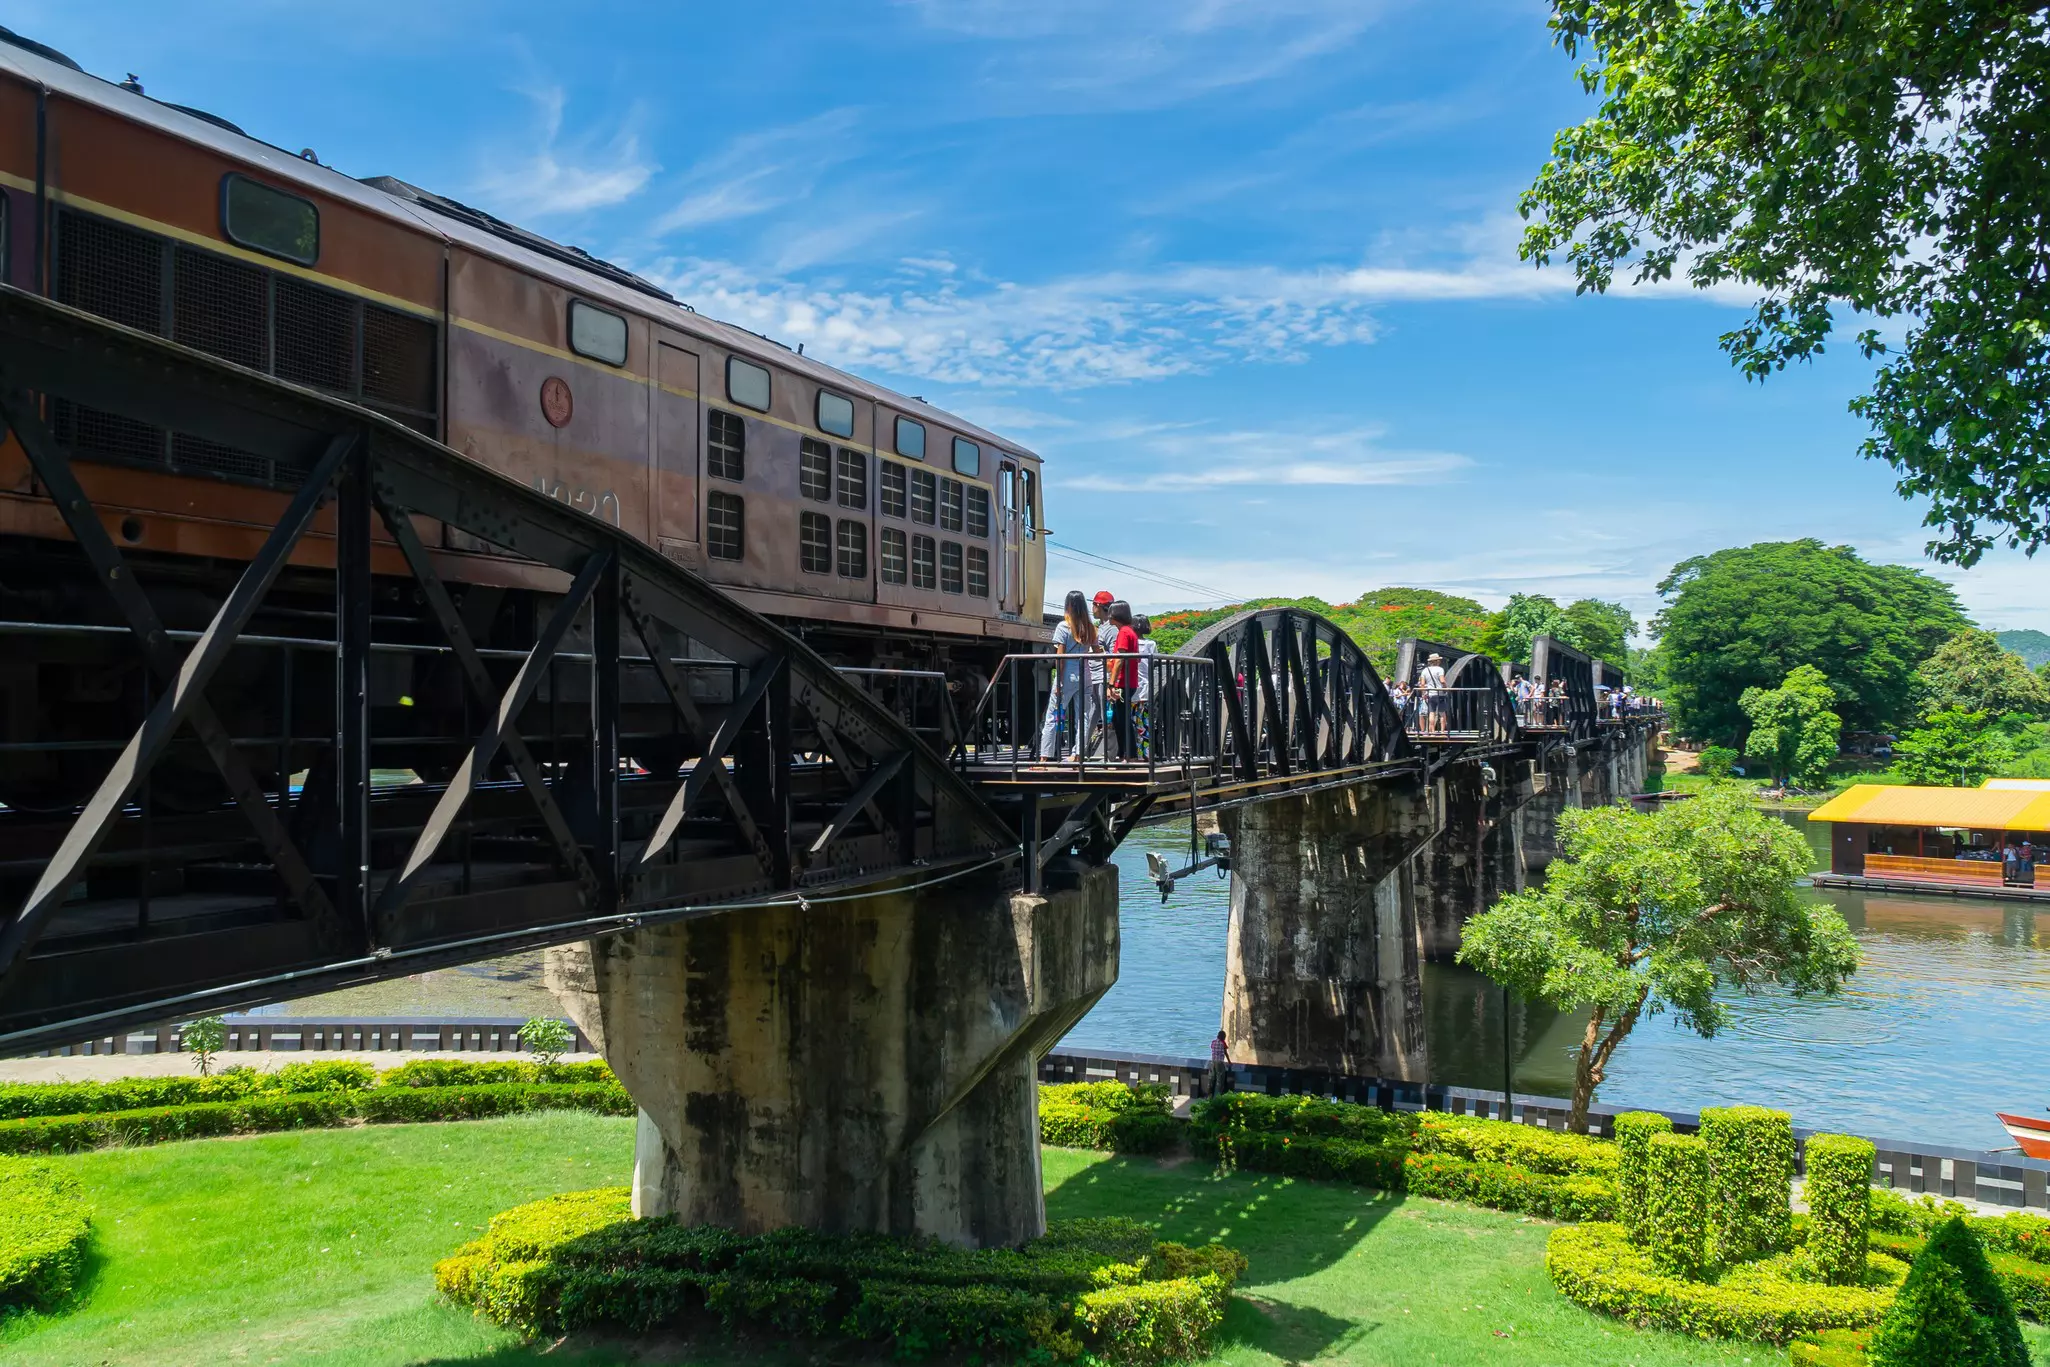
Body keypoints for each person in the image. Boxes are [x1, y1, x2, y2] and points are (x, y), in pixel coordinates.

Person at [1039, 590, 1097, 760]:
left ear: (1069, 605)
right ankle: (1078, 754)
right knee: (1084, 717)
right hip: (1085, 674)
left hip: (1067, 677)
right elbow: (1097, 651)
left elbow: (1060, 657)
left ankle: (1045, 756)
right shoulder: (1090, 627)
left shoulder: (1064, 626)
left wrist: (1058, 683)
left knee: (1053, 716)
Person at [1104, 601, 1141, 759]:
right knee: (1121, 719)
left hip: (1122, 682)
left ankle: (1128, 754)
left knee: (1121, 720)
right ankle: (1125, 754)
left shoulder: (1124, 633)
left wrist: (1111, 683)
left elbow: (1119, 659)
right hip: (1129, 681)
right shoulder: (1129, 631)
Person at [1086, 590, 1116, 756]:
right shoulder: (1102, 628)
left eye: (1094, 605)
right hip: (1095, 676)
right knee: (1092, 715)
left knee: (1107, 718)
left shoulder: (1111, 630)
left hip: (1103, 677)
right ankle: (1081, 751)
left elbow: (1114, 656)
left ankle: (1110, 755)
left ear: (1098, 606)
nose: (1092, 609)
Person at [1132, 614, 1158, 759]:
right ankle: (1146, 755)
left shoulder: (1130, 643)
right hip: (1146, 689)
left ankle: (1135, 754)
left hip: (1132, 689)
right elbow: (1155, 662)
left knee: (1134, 723)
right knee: (1145, 724)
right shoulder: (1151, 644)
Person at [1418, 651, 1449, 735]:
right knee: (1442, 713)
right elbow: (1442, 681)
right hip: (1439, 693)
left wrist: (1423, 693)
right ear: (1437, 661)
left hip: (1430, 694)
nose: (1439, 661)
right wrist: (1446, 688)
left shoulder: (1425, 670)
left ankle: (1432, 731)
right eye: (1438, 660)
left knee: (1432, 712)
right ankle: (1442, 731)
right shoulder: (1440, 669)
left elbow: (1422, 684)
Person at [1206, 1029, 1231, 1097]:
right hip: (1220, 1062)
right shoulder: (1223, 1043)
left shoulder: (1213, 1042)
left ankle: (1209, 1095)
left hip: (1213, 1062)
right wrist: (1229, 1061)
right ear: (1223, 1037)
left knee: (1212, 1078)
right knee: (1220, 1080)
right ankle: (1217, 1096)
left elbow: (1212, 1048)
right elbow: (1225, 1053)